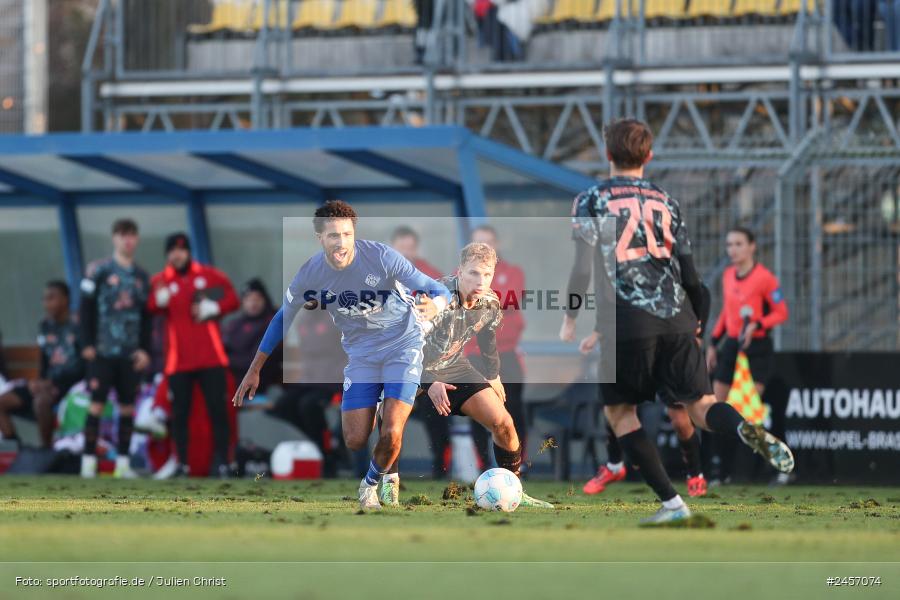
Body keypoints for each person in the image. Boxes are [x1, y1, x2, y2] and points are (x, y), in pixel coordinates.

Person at [560, 118, 794, 525]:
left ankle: (672, 503)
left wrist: (570, 316)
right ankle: (743, 428)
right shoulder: (666, 200)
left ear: (607, 154)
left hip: (627, 321)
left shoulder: (591, 200)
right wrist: (697, 322)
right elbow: (691, 275)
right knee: (703, 406)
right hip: (678, 317)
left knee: (620, 413)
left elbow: (581, 268)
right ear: (649, 156)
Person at [232, 201, 450, 511]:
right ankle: (380, 416)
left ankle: (371, 484)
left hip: (403, 346)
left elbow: (439, 290)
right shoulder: (311, 274)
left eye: (347, 234)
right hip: (362, 356)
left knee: (391, 430)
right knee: (355, 439)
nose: (341, 242)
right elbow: (283, 318)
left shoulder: (382, 257)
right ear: (320, 238)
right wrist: (255, 368)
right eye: (333, 235)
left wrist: (435, 306)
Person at [381, 242, 553, 509]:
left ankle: (514, 490)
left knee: (504, 423)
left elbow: (487, 337)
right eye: (473, 273)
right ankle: (388, 487)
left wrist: (493, 375)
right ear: (459, 271)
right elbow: (407, 346)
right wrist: (430, 382)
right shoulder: (434, 298)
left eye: (487, 274)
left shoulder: (490, 301)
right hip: (409, 364)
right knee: (390, 422)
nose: (480, 281)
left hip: (453, 365)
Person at [581, 283, 712, 498]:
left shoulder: (670, 272)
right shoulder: (626, 275)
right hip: (638, 349)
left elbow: (700, 291)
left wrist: (698, 335)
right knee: (617, 405)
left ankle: (695, 474)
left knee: (680, 420)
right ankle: (614, 464)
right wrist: (597, 333)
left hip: (669, 350)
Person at [148, 233, 240, 477]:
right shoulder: (160, 281)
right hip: (178, 362)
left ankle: (225, 463)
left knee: (218, 411)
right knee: (179, 414)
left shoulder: (209, 276)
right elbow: (149, 308)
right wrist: (158, 302)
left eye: (181, 250)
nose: (177, 255)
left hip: (211, 358)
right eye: (172, 251)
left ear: (189, 252)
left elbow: (233, 299)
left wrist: (216, 307)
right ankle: (182, 464)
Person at [79, 218, 152, 479]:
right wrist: (86, 343)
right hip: (102, 351)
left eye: (131, 235)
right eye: (122, 235)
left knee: (127, 407)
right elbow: (85, 308)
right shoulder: (97, 271)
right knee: (96, 405)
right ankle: (88, 462)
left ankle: (123, 464)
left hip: (130, 354)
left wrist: (145, 350)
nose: (127, 240)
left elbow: (147, 317)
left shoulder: (142, 276)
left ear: (137, 239)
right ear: (114, 238)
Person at [390, 225, 450, 478]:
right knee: (389, 414)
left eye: (410, 247)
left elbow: (446, 312)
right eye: (401, 247)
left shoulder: (430, 277)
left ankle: (440, 466)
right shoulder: (382, 276)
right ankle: (390, 470)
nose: (406, 252)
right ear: (392, 248)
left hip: (426, 359)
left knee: (436, 410)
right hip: (393, 358)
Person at [467, 225, 528, 472]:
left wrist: (476, 299)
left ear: (497, 245)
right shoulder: (460, 275)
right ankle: (483, 466)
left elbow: (510, 299)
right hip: (474, 355)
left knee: (514, 411)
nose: (483, 249)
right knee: (476, 411)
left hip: (507, 354)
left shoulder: (513, 272)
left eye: (488, 243)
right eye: (478, 244)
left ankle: (516, 466)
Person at [708, 227, 788, 405]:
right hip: (732, 344)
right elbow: (727, 312)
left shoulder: (766, 278)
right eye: (729, 245)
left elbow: (781, 313)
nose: (733, 249)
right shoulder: (728, 275)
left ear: (752, 246)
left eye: (739, 244)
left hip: (757, 346)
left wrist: (757, 325)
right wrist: (713, 343)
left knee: (747, 406)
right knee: (718, 404)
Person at [0, 281, 84, 448]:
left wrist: (52, 384)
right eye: (44, 299)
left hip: (71, 386)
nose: (46, 303)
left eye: (51, 298)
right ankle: (16, 447)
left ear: (65, 299)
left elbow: (83, 366)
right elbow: (45, 361)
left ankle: (46, 450)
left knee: (41, 403)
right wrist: (38, 382)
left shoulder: (79, 326)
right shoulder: (45, 326)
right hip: (47, 384)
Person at [223, 278, 282, 395]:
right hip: (234, 378)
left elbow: (255, 360)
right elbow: (222, 348)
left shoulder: (272, 324)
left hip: (260, 381)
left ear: (265, 300)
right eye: (248, 299)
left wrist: (224, 361)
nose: (253, 303)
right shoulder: (235, 324)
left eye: (257, 298)